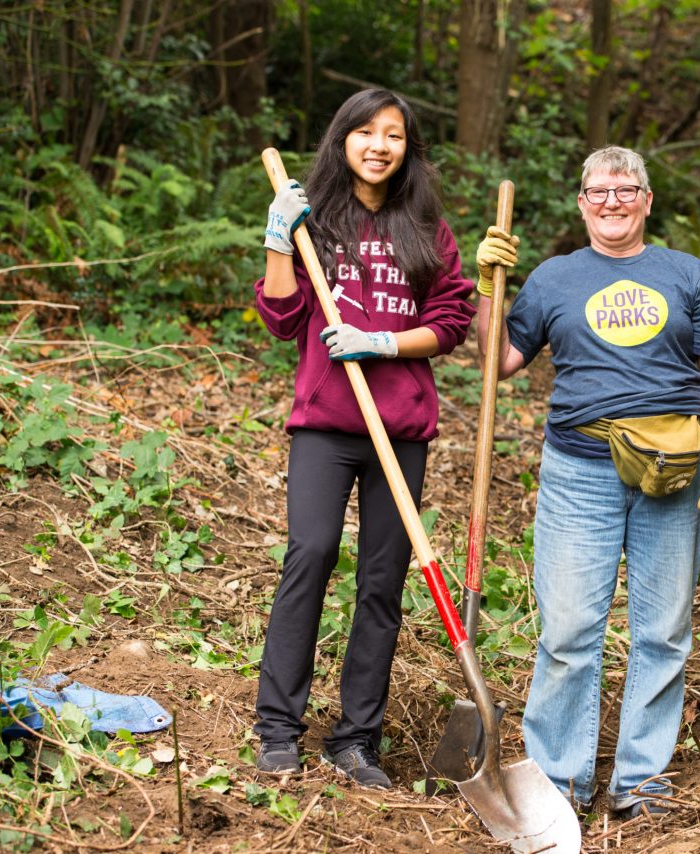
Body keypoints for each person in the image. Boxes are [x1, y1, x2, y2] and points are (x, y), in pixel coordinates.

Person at [473, 145, 700, 819]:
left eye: (626, 190)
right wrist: (486, 291)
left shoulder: (685, 274)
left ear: (647, 201)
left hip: (677, 469)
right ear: (581, 203)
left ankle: (642, 781)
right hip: (580, 471)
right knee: (568, 633)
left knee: (663, 632)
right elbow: (497, 363)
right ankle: (559, 783)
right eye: (599, 191)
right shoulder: (552, 277)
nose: (613, 202)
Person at [251, 89, 477, 787]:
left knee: (382, 581)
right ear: (342, 139)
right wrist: (277, 239)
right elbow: (284, 319)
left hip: (399, 428)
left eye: (395, 135)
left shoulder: (426, 227)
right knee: (310, 554)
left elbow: (451, 320)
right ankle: (278, 728)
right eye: (366, 132)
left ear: (408, 149)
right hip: (325, 425)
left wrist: (382, 340)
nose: (379, 145)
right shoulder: (313, 219)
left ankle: (356, 740)